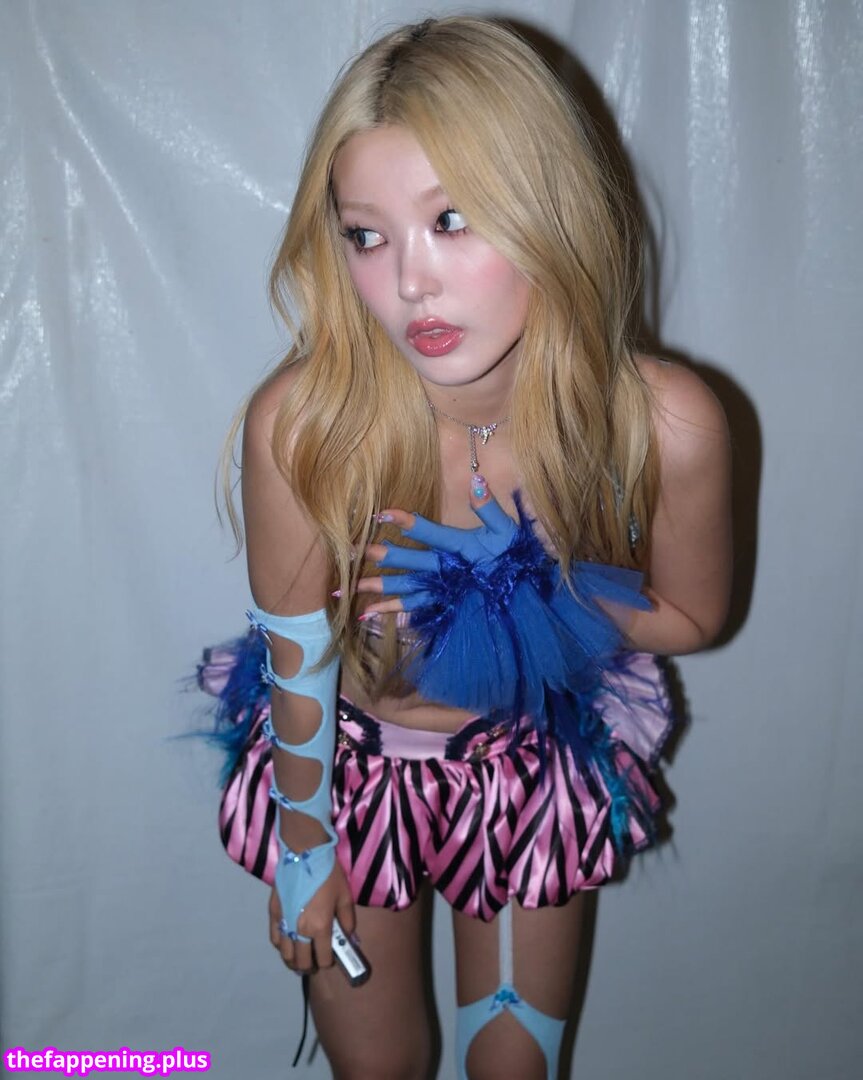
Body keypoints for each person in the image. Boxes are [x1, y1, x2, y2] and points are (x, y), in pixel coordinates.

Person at [204, 15, 731, 1080]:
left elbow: (694, 615)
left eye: (452, 219)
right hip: (345, 776)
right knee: (377, 1069)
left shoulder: (659, 421)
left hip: (525, 768)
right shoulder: (308, 425)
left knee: (511, 1069)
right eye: (366, 236)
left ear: (548, 206)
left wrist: (536, 593)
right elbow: (296, 653)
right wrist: (305, 840)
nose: (411, 282)